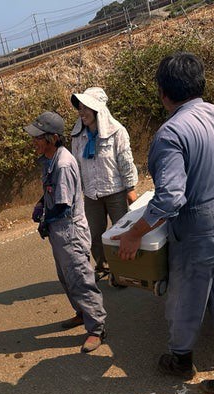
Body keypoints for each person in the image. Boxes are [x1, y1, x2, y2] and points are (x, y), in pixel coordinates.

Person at [113, 52, 214, 394]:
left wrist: (133, 233)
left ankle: (180, 360)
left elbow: (171, 198)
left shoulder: (170, 134)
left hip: (202, 231)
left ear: (163, 93)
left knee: (184, 300)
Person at [25, 111, 108, 353]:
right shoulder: (49, 160)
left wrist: (44, 220)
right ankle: (82, 312)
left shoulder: (62, 163)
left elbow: (62, 205)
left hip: (69, 230)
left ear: (51, 138)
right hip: (59, 231)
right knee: (66, 276)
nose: (34, 142)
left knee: (80, 278)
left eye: (38, 137)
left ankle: (97, 328)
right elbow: (51, 192)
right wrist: (41, 203)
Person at [70, 86, 138, 283]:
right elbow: (76, 166)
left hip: (116, 191)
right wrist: (77, 195)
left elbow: (126, 162)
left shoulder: (117, 131)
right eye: (80, 108)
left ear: (97, 109)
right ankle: (103, 266)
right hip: (91, 194)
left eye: (86, 108)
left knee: (120, 233)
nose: (81, 113)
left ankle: (123, 271)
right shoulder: (78, 136)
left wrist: (131, 189)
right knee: (95, 234)